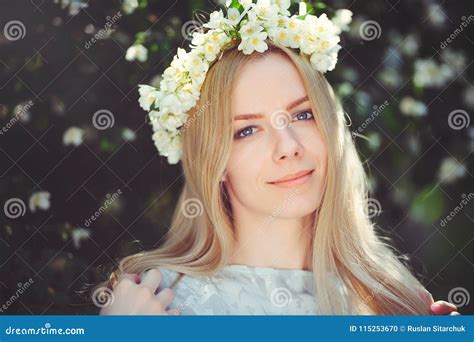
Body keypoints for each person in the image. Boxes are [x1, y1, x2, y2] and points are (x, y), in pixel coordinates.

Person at [97, 1, 459, 316]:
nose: (288, 146)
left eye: (303, 115)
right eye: (246, 130)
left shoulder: (392, 303)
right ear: (214, 162)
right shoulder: (160, 303)